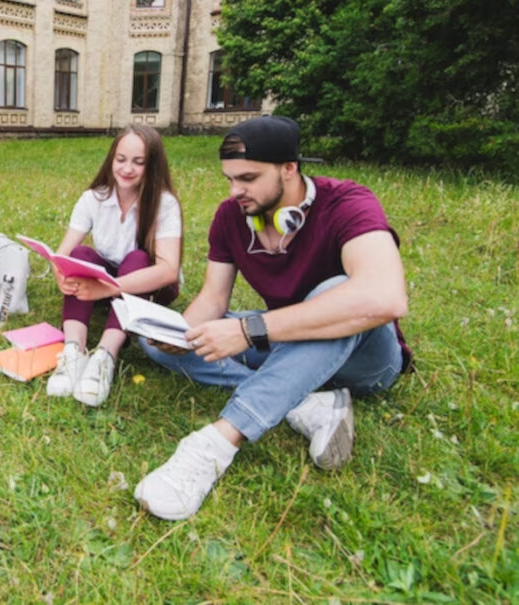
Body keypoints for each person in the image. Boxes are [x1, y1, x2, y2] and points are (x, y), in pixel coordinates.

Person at [133, 115, 411, 521]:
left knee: (334, 291)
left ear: (289, 168)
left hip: (367, 359)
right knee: (163, 340)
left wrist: (249, 330)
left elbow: (384, 297)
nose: (235, 191)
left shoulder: (349, 202)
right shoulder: (231, 216)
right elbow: (213, 297)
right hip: (286, 340)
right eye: (229, 179)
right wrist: (179, 335)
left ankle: (214, 445)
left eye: (247, 178)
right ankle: (306, 406)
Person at [45, 124, 182, 407]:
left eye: (138, 162)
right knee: (80, 254)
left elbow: (167, 270)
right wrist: (60, 273)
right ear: (112, 159)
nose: (127, 168)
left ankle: (106, 356)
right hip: (107, 280)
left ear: (152, 165)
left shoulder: (164, 204)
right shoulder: (94, 198)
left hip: (149, 286)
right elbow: (64, 252)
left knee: (138, 258)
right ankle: (74, 350)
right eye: (121, 159)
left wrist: (107, 288)